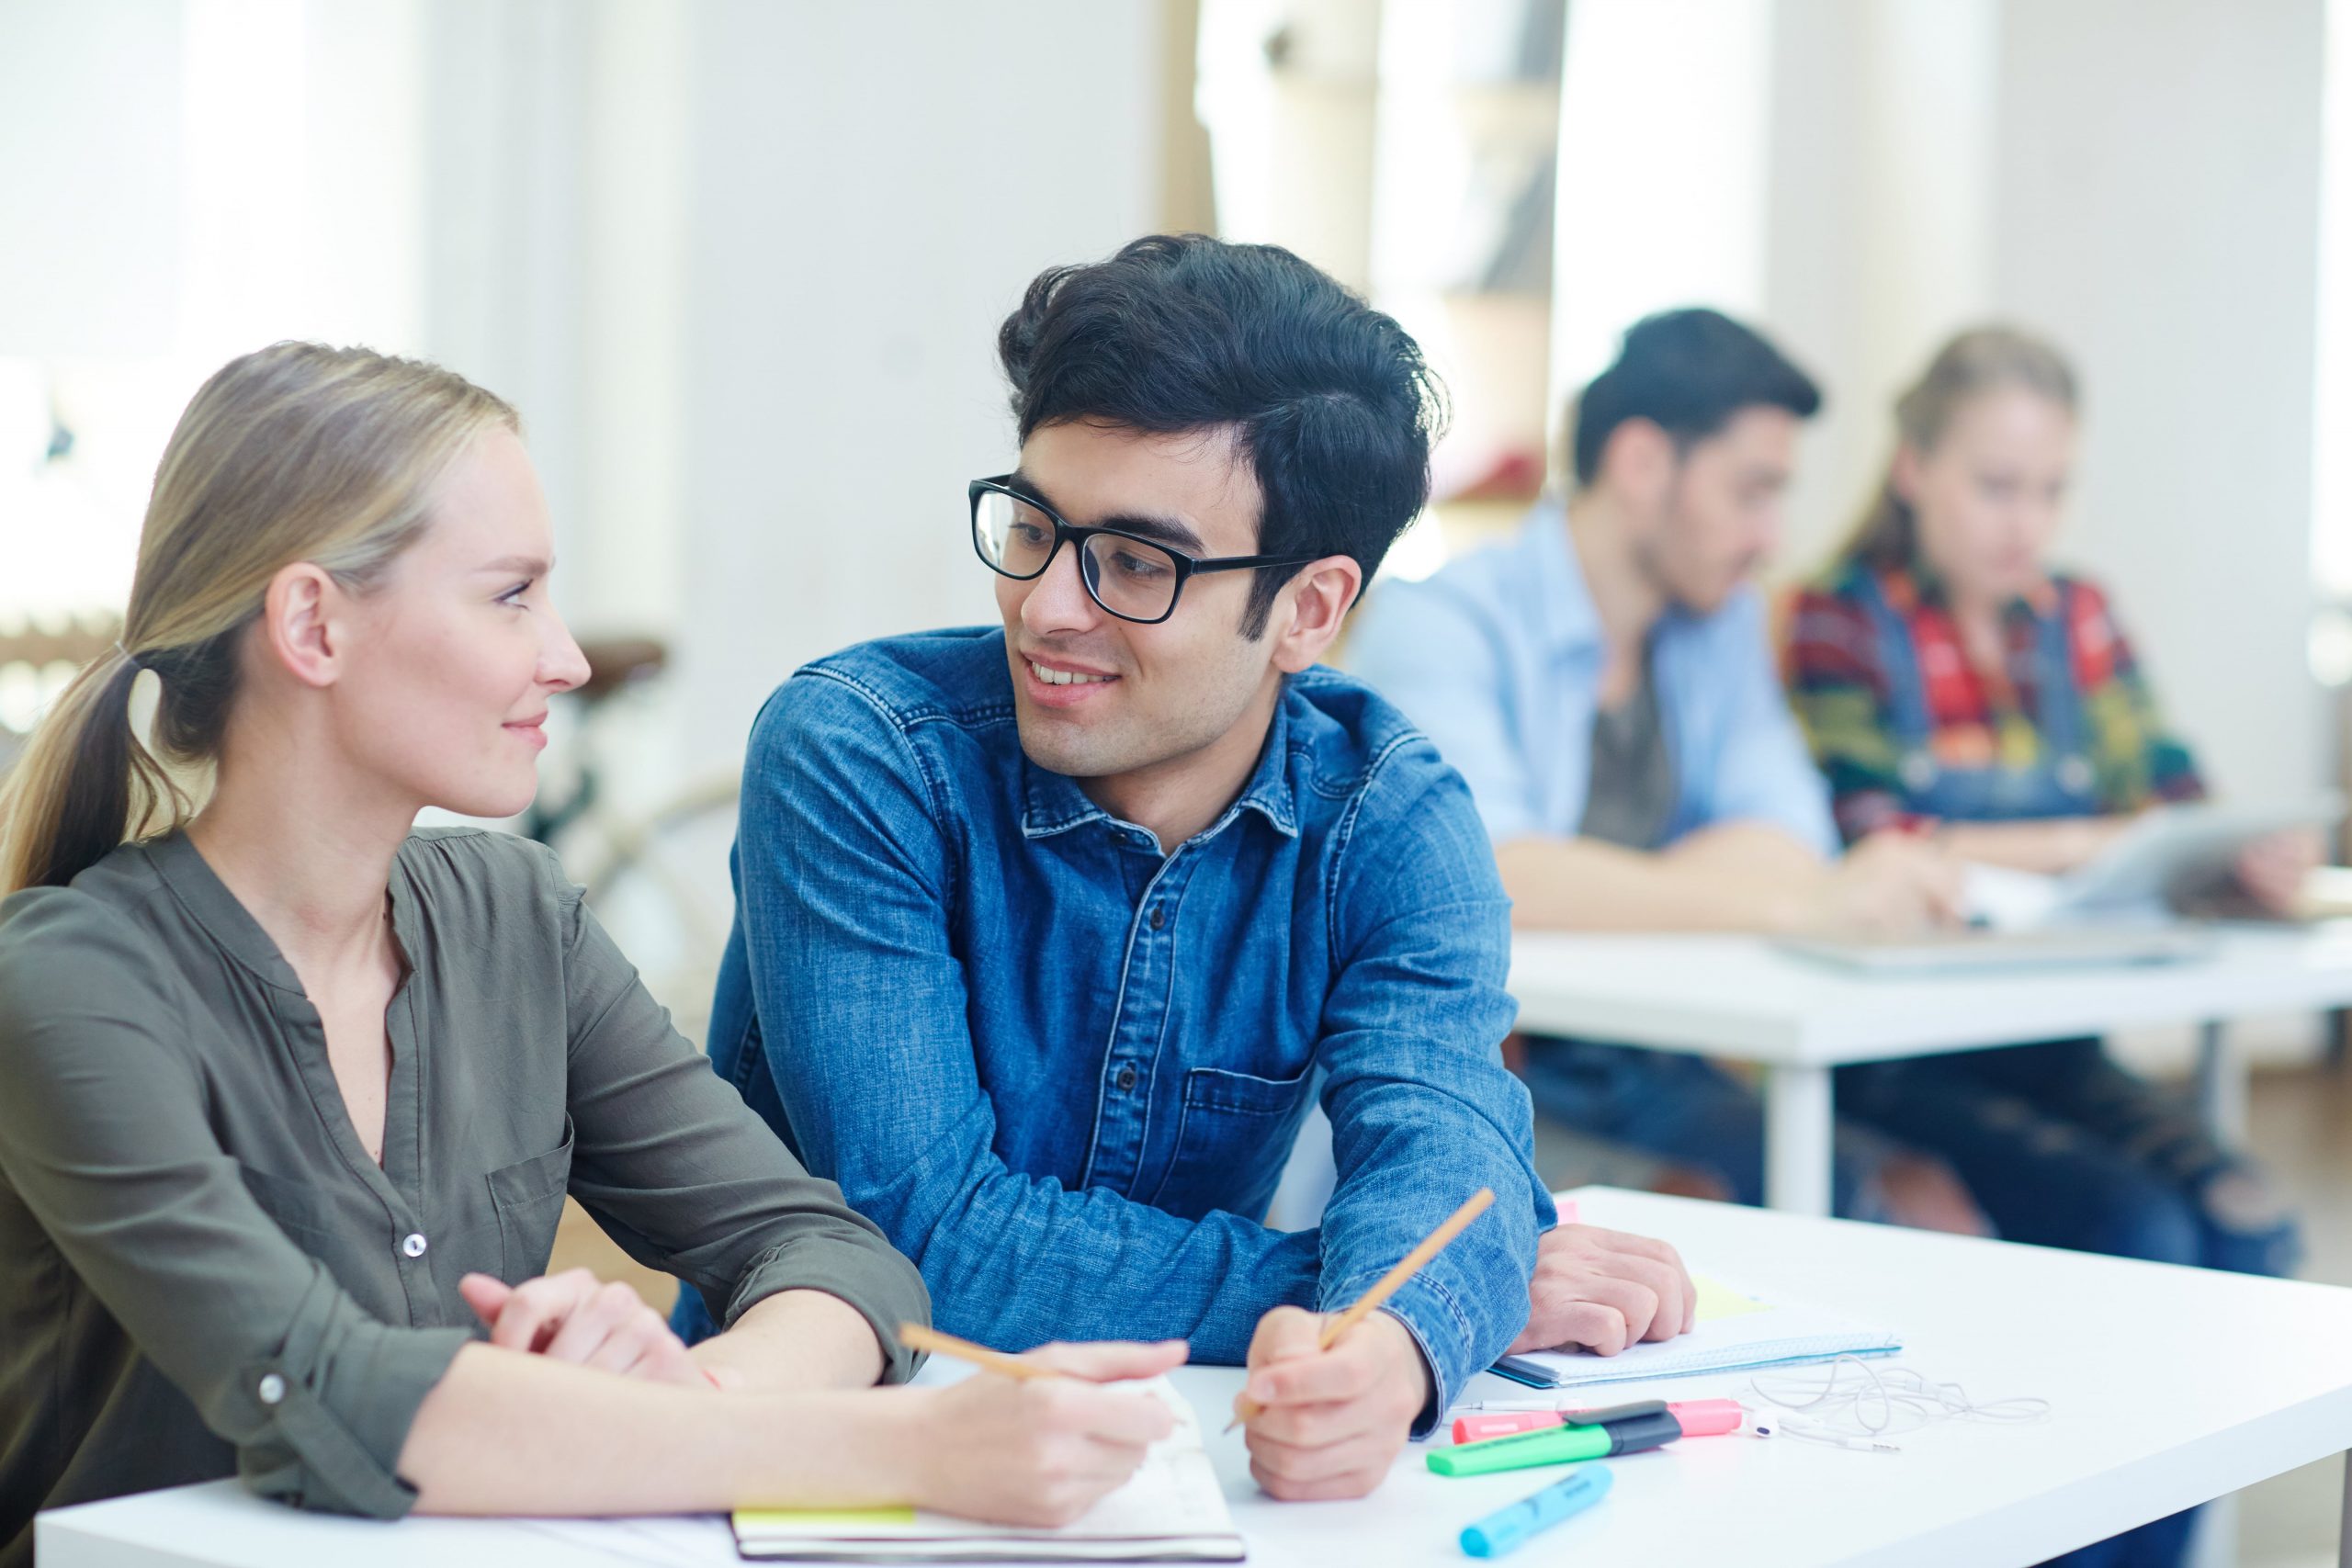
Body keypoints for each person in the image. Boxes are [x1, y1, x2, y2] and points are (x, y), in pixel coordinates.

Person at [0, 343, 1187, 1566]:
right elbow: (321, 1390)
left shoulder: (519, 918)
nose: (563, 656)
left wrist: (666, 1403)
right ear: (313, 622)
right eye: (511, 594)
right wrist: (911, 1453)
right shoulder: (68, 980)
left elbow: (842, 1259)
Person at [682, 234, 1699, 1504]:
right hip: (816, 1461)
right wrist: (1380, 1289)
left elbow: (1450, 1137)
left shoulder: (1391, 812)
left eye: (1138, 563)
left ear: (1311, 609)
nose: (1050, 605)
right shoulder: (863, 751)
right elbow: (921, 1229)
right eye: (1036, 525)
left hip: (1177, 1469)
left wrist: (1386, 1350)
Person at [1781, 325, 2307, 1568]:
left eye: (2051, 489)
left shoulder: (2077, 615)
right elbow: (1882, 836)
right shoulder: (1838, 622)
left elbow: (2175, 794)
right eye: (1996, 484)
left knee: (2251, 1228)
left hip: (2053, 1041)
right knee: (2144, 1232)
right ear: (1915, 468)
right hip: (1908, 1057)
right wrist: (2098, 835)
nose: (2027, 521)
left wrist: (2231, 853)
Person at [1347, 308, 1982, 1230]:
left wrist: (1590, 887)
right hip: (1465, 1080)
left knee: (1917, 1204)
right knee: (1702, 1217)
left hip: (1649, 1057)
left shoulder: (1716, 625)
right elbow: (1487, 880)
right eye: (1751, 491)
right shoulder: (1441, 623)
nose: (1772, 535)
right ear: (1643, 463)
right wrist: (1784, 908)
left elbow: (1789, 837)